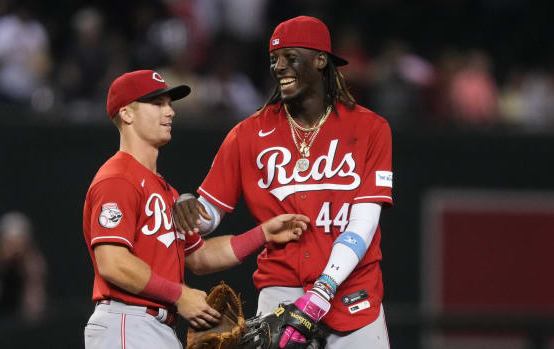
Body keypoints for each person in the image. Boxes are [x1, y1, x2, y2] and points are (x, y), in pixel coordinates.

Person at [174, 16, 393, 348]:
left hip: (351, 291)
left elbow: (364, 222)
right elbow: (207, 217)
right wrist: (186, 204)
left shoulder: (370, 128)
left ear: (321, 60)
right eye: (274, 58)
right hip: (282, 295)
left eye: (291, 57)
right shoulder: (248, 134)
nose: (279, 66)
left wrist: (324, 288)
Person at [82, 70, 310, 349]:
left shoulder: (166, 191)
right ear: (127, 113)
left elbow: (199, 257)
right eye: (157, 104)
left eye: (169, 103)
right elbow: (112, 262)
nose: (170, 112)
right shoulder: (118, 178)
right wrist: (179, 295)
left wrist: (263, 233)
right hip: (128, 322)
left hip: (155, 326)